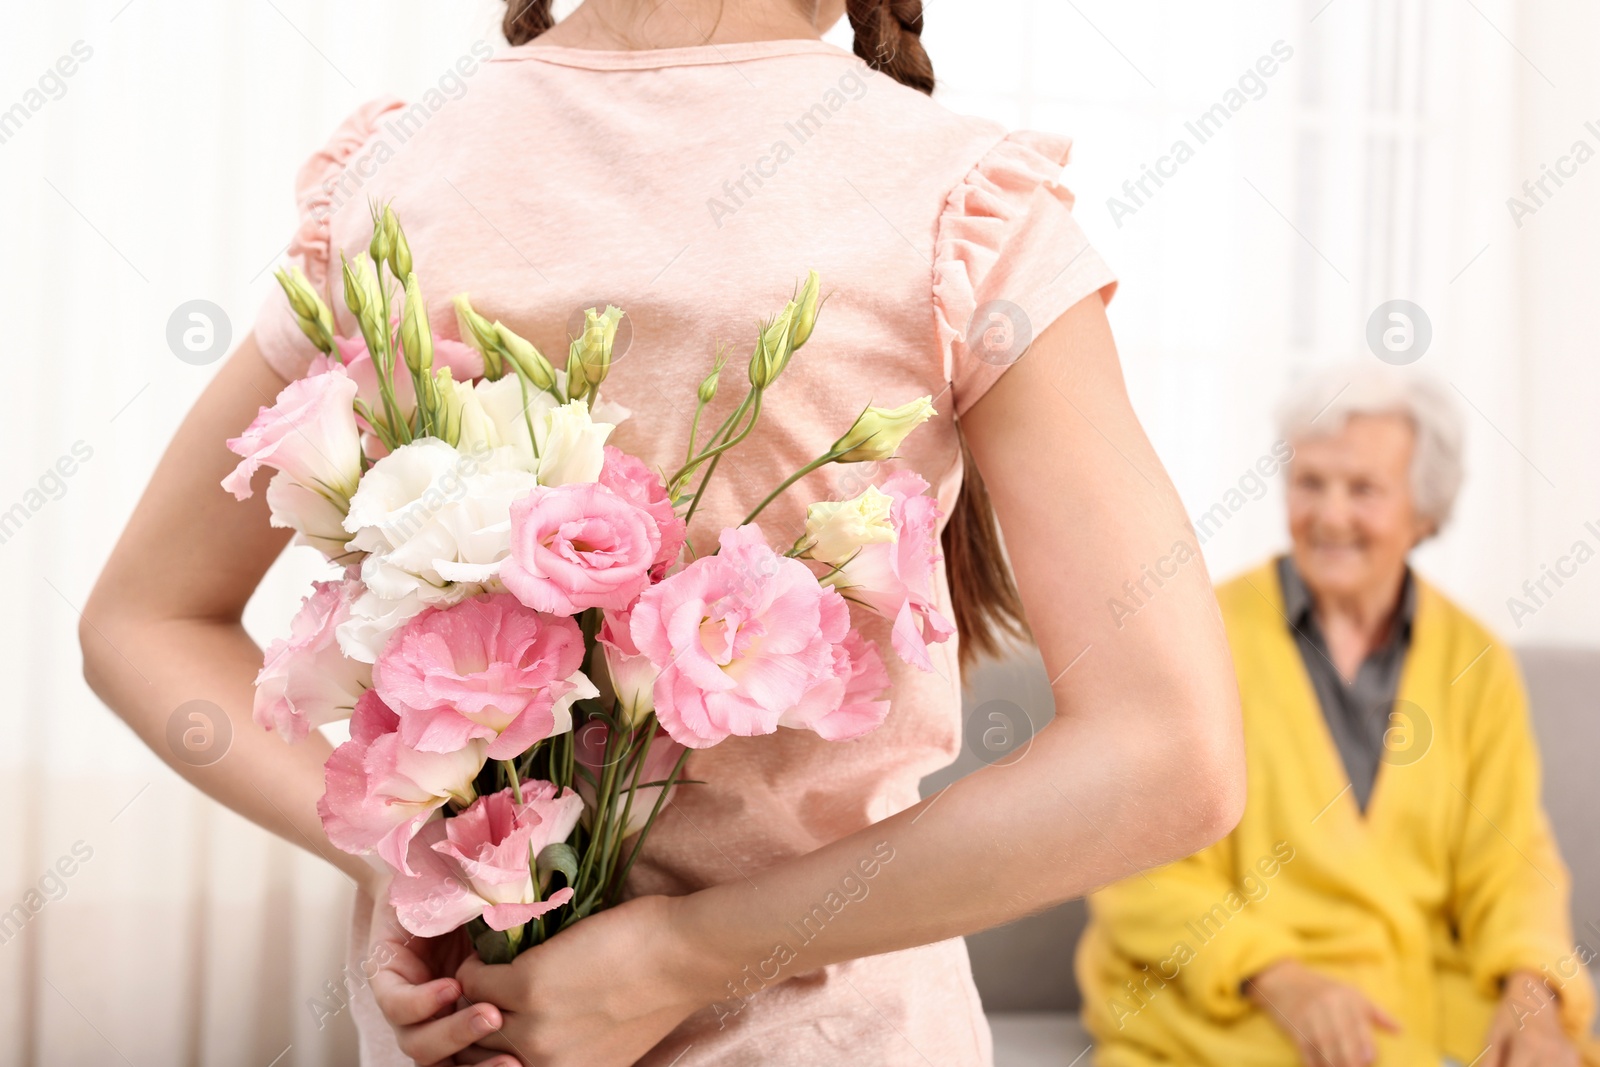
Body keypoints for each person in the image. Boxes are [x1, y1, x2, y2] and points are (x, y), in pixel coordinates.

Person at [79, 1, 1249, 1065]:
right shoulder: (956, 196)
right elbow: (1171, 757)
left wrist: (424, 858)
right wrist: (685, 952)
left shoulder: (398, 173)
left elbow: (142, 617)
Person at [1076, 361, 1598, 1067]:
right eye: (1310, 482)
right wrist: (1283, 979)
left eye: (1364, 490)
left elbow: (1512, 867)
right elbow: (1141, 867)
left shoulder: (1477, 661)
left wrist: (1531, 993)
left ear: (1424, 512)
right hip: (1242, 992)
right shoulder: (1201, 636)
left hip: (1412, 987)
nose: (1330, 515)